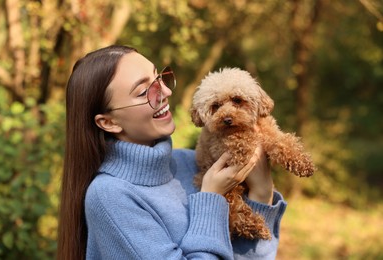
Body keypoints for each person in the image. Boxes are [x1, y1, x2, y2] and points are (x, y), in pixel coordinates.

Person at [57, 45, 287, 260]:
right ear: (108, 122)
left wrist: (262, 191)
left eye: (159, 77)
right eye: (144, 91)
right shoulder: (110, 196)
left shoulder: (191, 162)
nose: (165, 91)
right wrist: (211, 197)